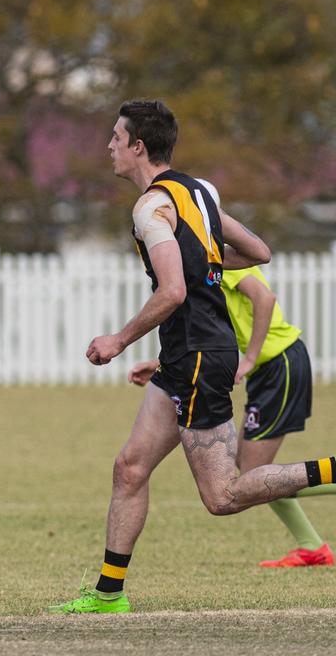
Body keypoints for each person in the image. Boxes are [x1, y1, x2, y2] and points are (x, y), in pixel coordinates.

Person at [48, 99, 336, 614]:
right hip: (188, 357)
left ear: (138, 146)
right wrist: (164, 357)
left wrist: (118, 339)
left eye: (116, 137)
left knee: (223, 496)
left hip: (200, 358)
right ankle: (108, 594)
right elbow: (258, 251)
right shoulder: (199, 191)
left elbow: (174, 292)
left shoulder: (149, 208)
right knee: (130, 467)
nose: (109, 146)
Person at [129, 180, 333, 568]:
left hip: (281, 363)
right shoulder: (201, 259)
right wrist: (159, 365)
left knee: (251, 476)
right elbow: (210, 329)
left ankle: (311, 546)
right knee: (251, 474)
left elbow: (265, 299)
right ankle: (311, 548)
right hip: (266, 366)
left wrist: (252, 358)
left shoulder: (212, 255)